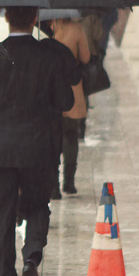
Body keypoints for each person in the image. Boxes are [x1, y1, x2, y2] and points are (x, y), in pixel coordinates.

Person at [0, 6, 75, 276]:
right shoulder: (48, 55)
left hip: (0, 151)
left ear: (6, 17)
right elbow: (66, 101)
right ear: (35, 16)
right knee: (37, 206)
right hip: (39, 150)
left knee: (1, 215)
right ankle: (31, 257)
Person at [46, 15, 89, 195]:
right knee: (70, 135)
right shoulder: (77, 29)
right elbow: (86, 58)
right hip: (72, 87)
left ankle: (54, 185)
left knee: (53, 137)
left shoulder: (46, 29)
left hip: (50, 88)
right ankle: (69, 182)